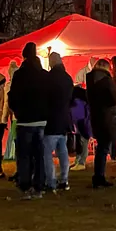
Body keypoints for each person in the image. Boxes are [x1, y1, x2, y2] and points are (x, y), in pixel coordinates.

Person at [8, 42, 49, 200]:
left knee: (24, 155)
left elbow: (13, 96)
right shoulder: (43, 75)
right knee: (39, 155)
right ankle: (39, 185)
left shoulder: (20, 75)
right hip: (41, 120)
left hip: (25, 120)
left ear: (23, 56)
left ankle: (25, 185)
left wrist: (17, 111)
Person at [87, 58, 116, 189]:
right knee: (103, 148)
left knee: (101, 147)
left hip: (96, 116)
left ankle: (98, 176)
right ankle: (99, 177)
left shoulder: (90, 80)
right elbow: (114, 98)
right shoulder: (107, 80)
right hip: (106, 116)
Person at [44, 52, 74, 192]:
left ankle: (51, 181)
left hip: (51, 120)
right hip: (64, 119)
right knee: (63, 152)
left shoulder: (49, 79)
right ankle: (65, 179)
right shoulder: (68, 78)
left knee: (47, 153)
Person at [70, 85, 92, 171]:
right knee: (81, 143)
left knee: (82, 143)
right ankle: (78, 161)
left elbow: (77, 116)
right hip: (82, 125)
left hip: (81, 125)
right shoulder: (82, 101)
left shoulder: (77, 102)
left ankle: (81, 162)